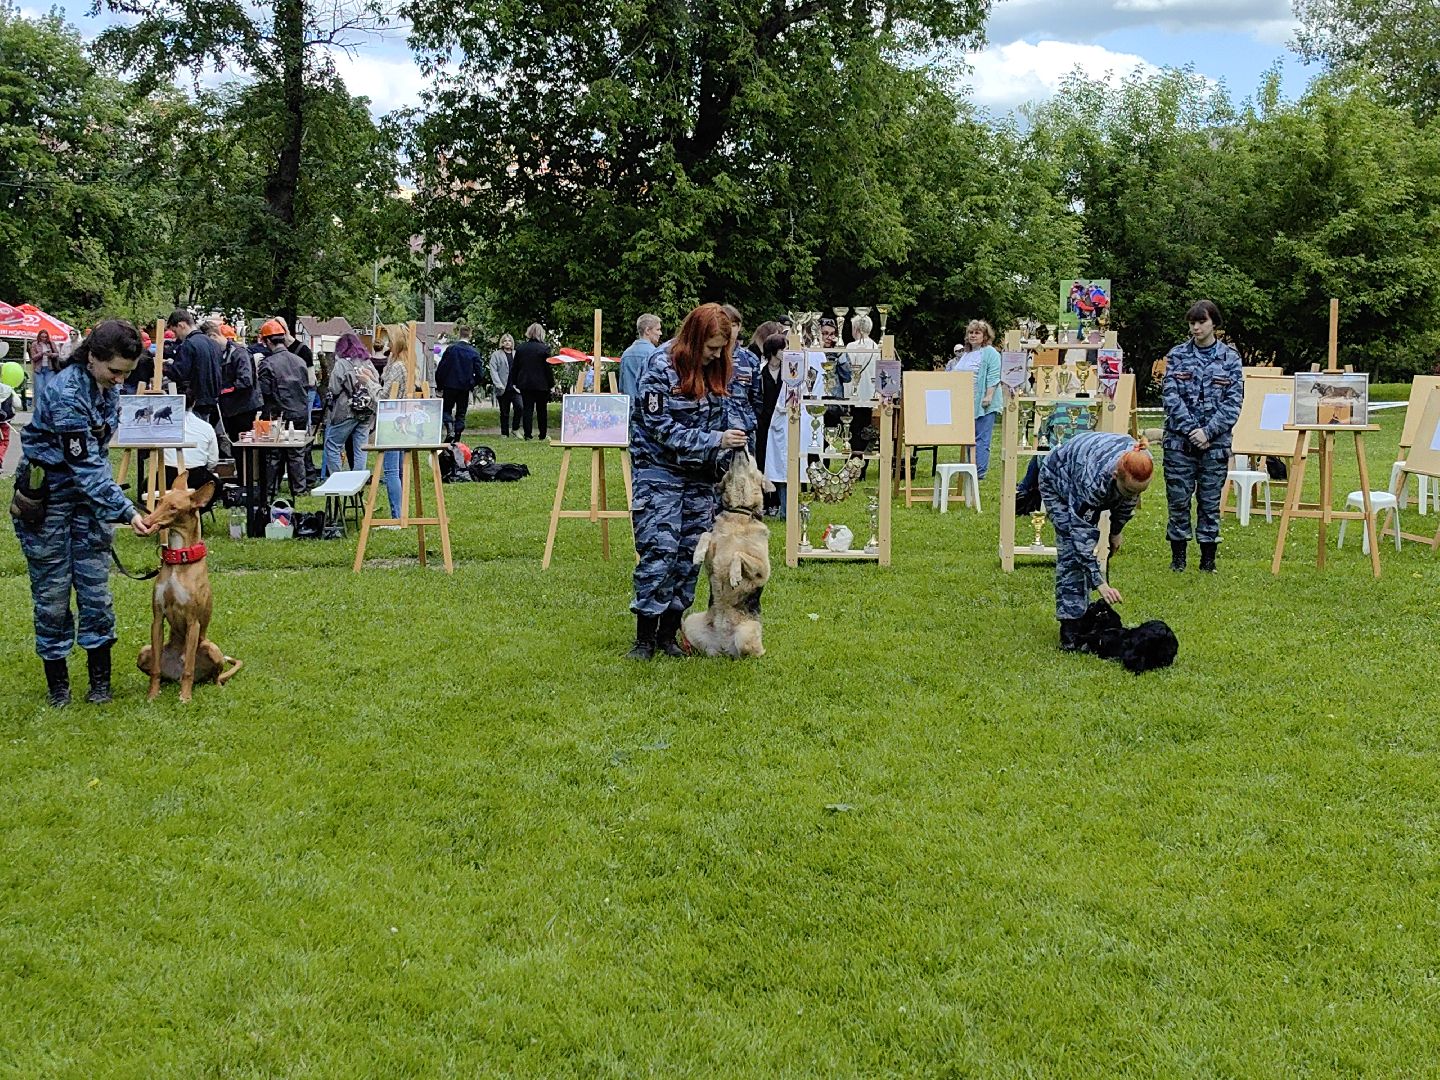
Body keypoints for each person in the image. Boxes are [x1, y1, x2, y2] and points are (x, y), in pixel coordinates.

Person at [12, 321, 159, 706]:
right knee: (52, 594)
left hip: (88, 504)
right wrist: (127, 512)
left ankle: (100, 684)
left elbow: (96, 459)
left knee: (96, 591)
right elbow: (88, 467)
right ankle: (58, 686)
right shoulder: (65, 393)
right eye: (115, 371)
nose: (120, 380)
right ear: (92, 357)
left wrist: (112, 507)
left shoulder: (106, 386)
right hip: (49, 501)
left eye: (127, 373)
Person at [627, 302, 751, 659]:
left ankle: (669, 633)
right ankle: (644, 639)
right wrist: (714, 440)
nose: (716, 355)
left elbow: (728, 411)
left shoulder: (719, 368)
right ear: (695, 339)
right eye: (711, 347)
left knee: (689, 556)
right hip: (659, 471)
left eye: (721, 348)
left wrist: (733, 441)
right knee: (661, 550)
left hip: (700, 474)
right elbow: (659, 428)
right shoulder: (660, 366)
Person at [1039, 431, 1154, 651]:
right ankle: (1071, 627)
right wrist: (1100, 583)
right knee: (1071, 553)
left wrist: (1116, 531)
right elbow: (1081, 541)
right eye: (1129, 490)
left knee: (1083, 551)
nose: (1133, 496)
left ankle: (1087, 619)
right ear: (1115, 476)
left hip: (1091, 473)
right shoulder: (1092, 482)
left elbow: (1128, 500)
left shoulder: (1142, 460)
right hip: (1058, 480)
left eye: (1139, 492)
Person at [1161, 299, 1243, 573]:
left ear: (1214, 324)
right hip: (1179, 443)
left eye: (1201, 322)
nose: (1196, 328)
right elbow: (1170, 397)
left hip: (1214, 444)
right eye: (1192, 323)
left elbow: (1233, 401)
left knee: (1209, 502)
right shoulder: (1177, 355)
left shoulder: (1230, 358)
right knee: (1178, 500)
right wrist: (1191, 430)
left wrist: (1208, 432)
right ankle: (1178, 558)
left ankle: (1208, 560)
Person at [256, 319, 312, 498]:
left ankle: (271, 490)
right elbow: (307, 385)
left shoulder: (268, 364)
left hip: (278, 414)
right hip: (300, 412)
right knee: (297, 453)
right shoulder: (299, 361)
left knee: (274, 455)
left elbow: (264, 392)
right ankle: (300, 490)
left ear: (268, 341)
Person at [945, 319, 1002, 478]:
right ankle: (970, 468)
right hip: (965, 402)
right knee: (968, 438)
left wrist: (989, 395)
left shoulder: (990, 352)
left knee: (981, 439)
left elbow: (994, 375)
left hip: (983, 403)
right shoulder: (966, 354)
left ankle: (979, 472)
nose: (973, 335)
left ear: (985, 336)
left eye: (977, 333)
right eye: (971, 332)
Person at [324, 332, 379, 475]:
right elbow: (376, 381)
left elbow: (334, 389)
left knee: (333, 444)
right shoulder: (367, 362)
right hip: (367, 410)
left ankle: (337, 479)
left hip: (347, 411)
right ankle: (357, 480)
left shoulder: (341, 364)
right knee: (361, 448)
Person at [162, 385, 222, 506]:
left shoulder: (162, 426)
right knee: (217, 486)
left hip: (166, 477)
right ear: (194, 403)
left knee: (147, 485)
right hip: (198, 477)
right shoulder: (206, 427)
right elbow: (213, 460)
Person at [754, 330, 789, 516]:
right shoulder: (760, 371)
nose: (785, 352)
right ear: (773, 351)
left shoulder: (789, 372)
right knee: (762, 459)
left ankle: (779, 503)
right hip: (764, 421)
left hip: (782, 422)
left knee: (781, 462)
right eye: (782, 349)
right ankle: (764, 503)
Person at [720, 304, 763, 451]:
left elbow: (757, 398)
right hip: (716, 433)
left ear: (739, 327)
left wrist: (750, 420)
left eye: (733, 325)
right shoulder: (710, 357)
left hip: (743, 431)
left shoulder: (750, 360)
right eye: (725, 325)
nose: (730, 330)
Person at [379, 341, 410, 517]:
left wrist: (369, 382)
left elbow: (384, 397)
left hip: (392, 418)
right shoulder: (407, 364)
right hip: (401, 415)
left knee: (391, 470)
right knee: (399, 470)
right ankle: (401, 512)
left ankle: (397, 514)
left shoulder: (398, 366)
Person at [511, 323, 555, 440]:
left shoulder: (521, 348)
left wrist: (514, 381)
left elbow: (515, 367)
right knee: (542, 410)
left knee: (527, 409)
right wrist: (552, 384)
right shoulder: (544, 348)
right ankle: (542, 434)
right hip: (542, 384)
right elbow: (547, 368)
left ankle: (528, 434)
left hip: (525, 383)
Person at [435, 334, 482, 442]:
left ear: (459, 334)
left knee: (446, 410)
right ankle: (457, 436)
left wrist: (440, 385)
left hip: (449, 385)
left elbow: (442, 368)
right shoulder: (473, 352)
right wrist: (473, 383)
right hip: (464, 387)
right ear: (470, 335)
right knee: (461, 413)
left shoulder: (451, 349)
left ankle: (450, 428)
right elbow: (479, 373)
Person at [619, 314, 662, 401]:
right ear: (647, 331)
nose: (660, 333)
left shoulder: (626, 354)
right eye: (657, 329)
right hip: (649, 409)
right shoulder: (655, 354)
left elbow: (622, 386)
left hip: (630, 408)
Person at [489, 333, 522, 437]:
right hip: (503, 387)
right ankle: (504, 433)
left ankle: (515, 428)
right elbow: (493, 370)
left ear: (512, 343)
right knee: (504, 411)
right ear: (502, 343)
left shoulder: (517, 354)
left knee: (520, 407)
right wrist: (498, 384)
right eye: (505, 341)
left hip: (515, 387)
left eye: (509, 341)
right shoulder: (496, 355)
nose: (507, 343)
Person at [28, 330, 61, 403]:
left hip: (49, 369)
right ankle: (39, 407)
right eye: (42, 337)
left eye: (45, 337)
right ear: (39, 336)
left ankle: (48, 406)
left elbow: (57, 354)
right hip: (39, 369)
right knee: (39, 389)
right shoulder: (35, 344)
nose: (44, 338)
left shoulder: (51, 343)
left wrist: (51, 354)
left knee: (49, 388)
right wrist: (42, 353)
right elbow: (33, 357)